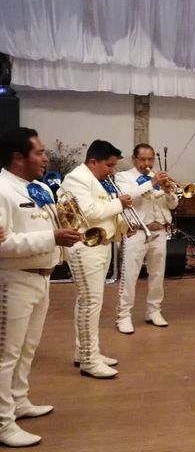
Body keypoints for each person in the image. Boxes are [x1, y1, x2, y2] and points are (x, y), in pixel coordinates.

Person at [0, 128, 81, 447]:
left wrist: (61, 233)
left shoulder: (35, 187)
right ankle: (3, 423)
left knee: (27, 348)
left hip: (41, 276)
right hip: (14, 279)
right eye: (39, 152)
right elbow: (2, 244)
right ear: (18, 157)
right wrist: (52, 238)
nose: (46, 158)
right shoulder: (2, 189)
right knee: (6, 354)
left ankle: (18, 401)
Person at [60, 140, 132, 379]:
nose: (112, 170)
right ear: (93, 162)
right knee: (91, 303)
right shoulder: (76, 179)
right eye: (109, 165)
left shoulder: (96, 180)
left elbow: (103, 211)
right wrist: (118, 204)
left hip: (100, 246)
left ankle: (86, 352)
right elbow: (89, 212)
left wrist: (122, 225)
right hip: (84, 247)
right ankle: (89, 361)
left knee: (88, 303)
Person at [114, 144, 178, 334]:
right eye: (143, 159)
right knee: (130, 275)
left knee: (157, 274)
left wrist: (168, 190)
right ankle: (123, 316)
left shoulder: (158, 177)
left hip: (159, 232)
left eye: (150, 159)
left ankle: (154, 311)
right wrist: (152, 183)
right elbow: (127, 197)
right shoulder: (123, 177)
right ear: (134, 159)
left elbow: (173, 204)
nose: (147, 163)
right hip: (136, 232)